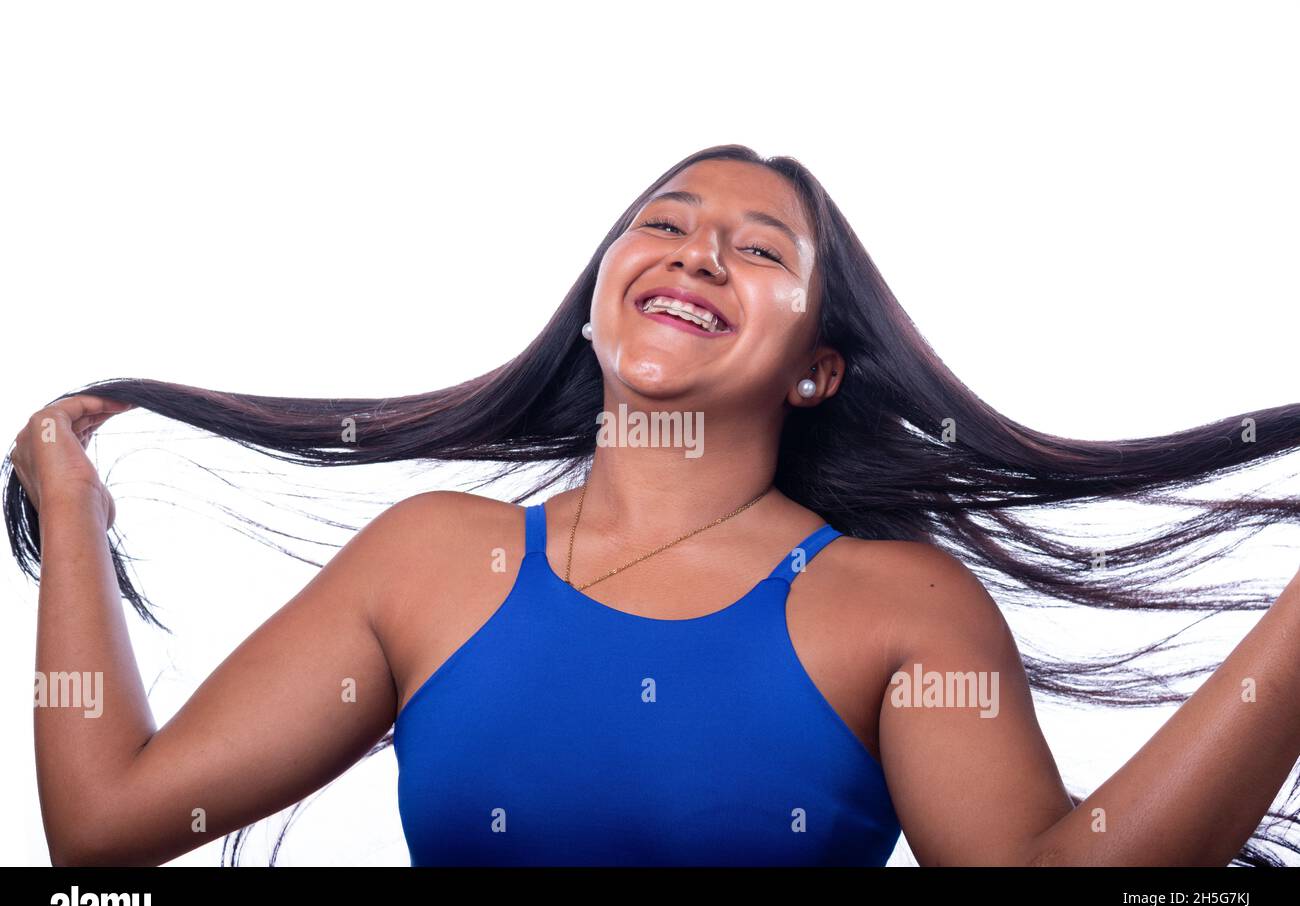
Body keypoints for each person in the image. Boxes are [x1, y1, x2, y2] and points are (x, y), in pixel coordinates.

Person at [10, 145, 1300, 866]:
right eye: (663, 224)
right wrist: (74, 515)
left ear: (817, 367)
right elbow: (106, 828)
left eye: (758, 248)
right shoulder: (432, 563)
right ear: (598, 299)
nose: (696, 251)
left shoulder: (894, 609)